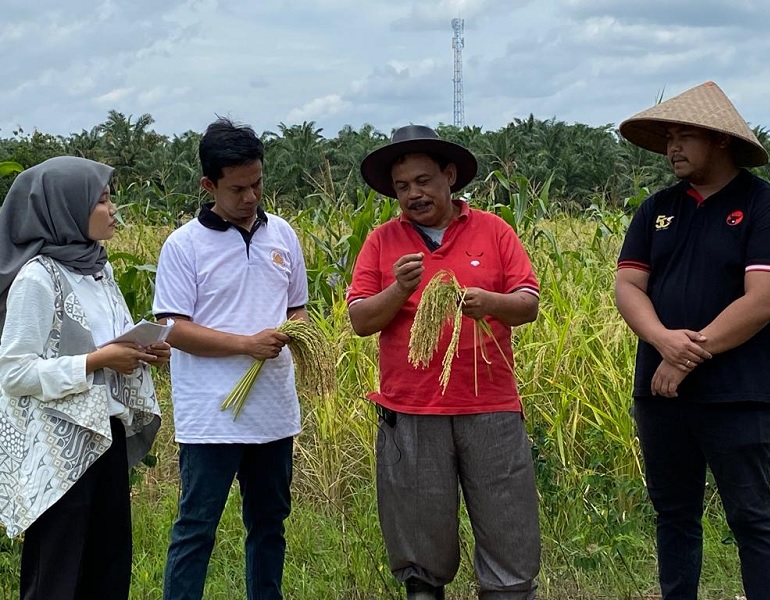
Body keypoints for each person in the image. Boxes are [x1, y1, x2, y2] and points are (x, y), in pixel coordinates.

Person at [615, 81, 770, 600]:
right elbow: (629, 286)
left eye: (685, 136)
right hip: (661, 393)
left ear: (720, 140)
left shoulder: (768, 209)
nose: (673, 147)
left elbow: (764, 299)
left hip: (739, 394)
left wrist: (687, 355)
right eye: (669, 137)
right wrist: (661, 341)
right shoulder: (657, 210)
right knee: (674, 516)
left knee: (753, 517)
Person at [347, 125, 541, 600]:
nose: (413, 194)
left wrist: (488, 302)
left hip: (490, 406)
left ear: (449, 176)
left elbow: (528, 303)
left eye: (423, 181)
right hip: (411, 409)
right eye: (402, 187)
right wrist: (399, 289)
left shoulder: (493, 231)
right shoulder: (381, 242)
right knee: (419, 536)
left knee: (506, 525)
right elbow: (360, 320)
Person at [154, 117, 309, 600]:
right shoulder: (184, 246)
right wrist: (246, 345)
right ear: (208, 185)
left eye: (258, 184)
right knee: (196, 527)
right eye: (238, 188)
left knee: (269, 524)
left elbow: (298, 308)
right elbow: (174, 329)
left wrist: (295, 331)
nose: (251, 197)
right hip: (211, 418)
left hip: (273, 413)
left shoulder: (282, 234)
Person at [0, 156, 166, 599]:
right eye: (103, 200)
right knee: (57, 573)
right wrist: (97, 361)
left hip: (102, 434)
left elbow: (110, 344)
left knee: (108, 566)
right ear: (66, 208)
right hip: (57, 447)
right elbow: (14, 372)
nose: (114, 210)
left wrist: (142, 350)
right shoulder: (38, 278)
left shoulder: (98, 270)